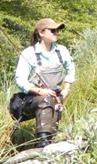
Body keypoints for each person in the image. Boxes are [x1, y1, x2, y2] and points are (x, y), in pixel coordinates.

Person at [14, 18, 75, 148]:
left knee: (53, 131)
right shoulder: (28, 53)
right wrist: (40, 91)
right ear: (41, 32)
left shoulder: (62, 50)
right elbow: (20, 80)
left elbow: (71, 70)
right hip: (31, 99)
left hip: (56, 98)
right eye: (52, 30)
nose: (56, 33)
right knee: (45, 101)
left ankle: (47, 142)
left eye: (57, 31)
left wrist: (66, 89)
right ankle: (42, 145)